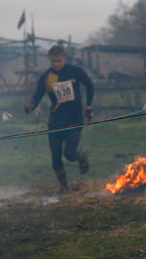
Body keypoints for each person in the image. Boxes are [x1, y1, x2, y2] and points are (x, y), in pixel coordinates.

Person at [25, 43, 94, 193]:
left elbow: (89, 85)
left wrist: (88, 106)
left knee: (69, 154)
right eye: (53, 61)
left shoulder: (74, 71)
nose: (56, 64)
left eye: (59, 61)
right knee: (55, 159)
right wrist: (31, 105)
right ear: (49, 60)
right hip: (55, 121)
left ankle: (82, 154)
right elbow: (37, 95)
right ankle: (64, 188)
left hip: (74, 120)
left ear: (64, 59)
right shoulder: (46, 77)